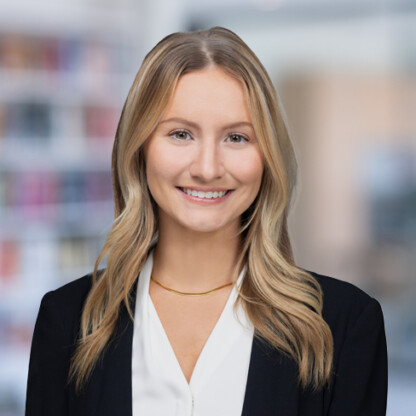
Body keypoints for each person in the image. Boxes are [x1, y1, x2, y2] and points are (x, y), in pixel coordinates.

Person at [25, 27, 387, 416]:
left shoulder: (342, 325)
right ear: (139, 148)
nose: (208, 168)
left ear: (268, 158)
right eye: (181, 134)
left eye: (236, 138)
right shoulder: (68, 321)